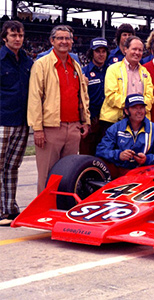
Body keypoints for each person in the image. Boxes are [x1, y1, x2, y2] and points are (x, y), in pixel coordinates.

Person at [28, 25, 91, 194]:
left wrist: (85, 121)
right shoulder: (41, 65)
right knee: (47, 175)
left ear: (72, 42)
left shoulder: (76, 65)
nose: (64, 42)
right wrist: (38, 129)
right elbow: (35, 98)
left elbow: (83, 96)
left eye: (67, 38)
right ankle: (42, 212)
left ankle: (62, 209)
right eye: (60, 38)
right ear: (52, 41)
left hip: (73, 127)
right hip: (51, 128)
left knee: (68, 175)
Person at [0, 20, 33, 225]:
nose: (17, 38)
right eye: (13, 35)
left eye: (20, 35)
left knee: (12, 167)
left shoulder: (28, 62)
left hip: (22, 121)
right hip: (2, 119)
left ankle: (10, 207)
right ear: (4, 37)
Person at [96, 94, 154, 178]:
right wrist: (119, 155)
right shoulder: (115, 128)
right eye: (134, 108)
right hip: (120, 174)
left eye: (141, 108)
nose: (139, 111)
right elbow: (100, 151)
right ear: (126, 111)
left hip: (146, 175)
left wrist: (147, 159)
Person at [100, 36, 154, 130]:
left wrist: (136, 112)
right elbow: (111, 96)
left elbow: (150, 98)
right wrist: (131, 108)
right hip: (114, 121)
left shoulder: (146, 72)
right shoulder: (113, 69)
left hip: (139, 122)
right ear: (125, 49)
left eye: (140, 50)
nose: (137, 53)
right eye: (134, 49)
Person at [80, 37, 109, 155]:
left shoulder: (111, 71)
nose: (101, 54)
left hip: (107, 121)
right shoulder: (84, 72)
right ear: (91, 53)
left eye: (104, 51)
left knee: (105, 157)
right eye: (97, 51)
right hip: (91, 120)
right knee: (86, 156)